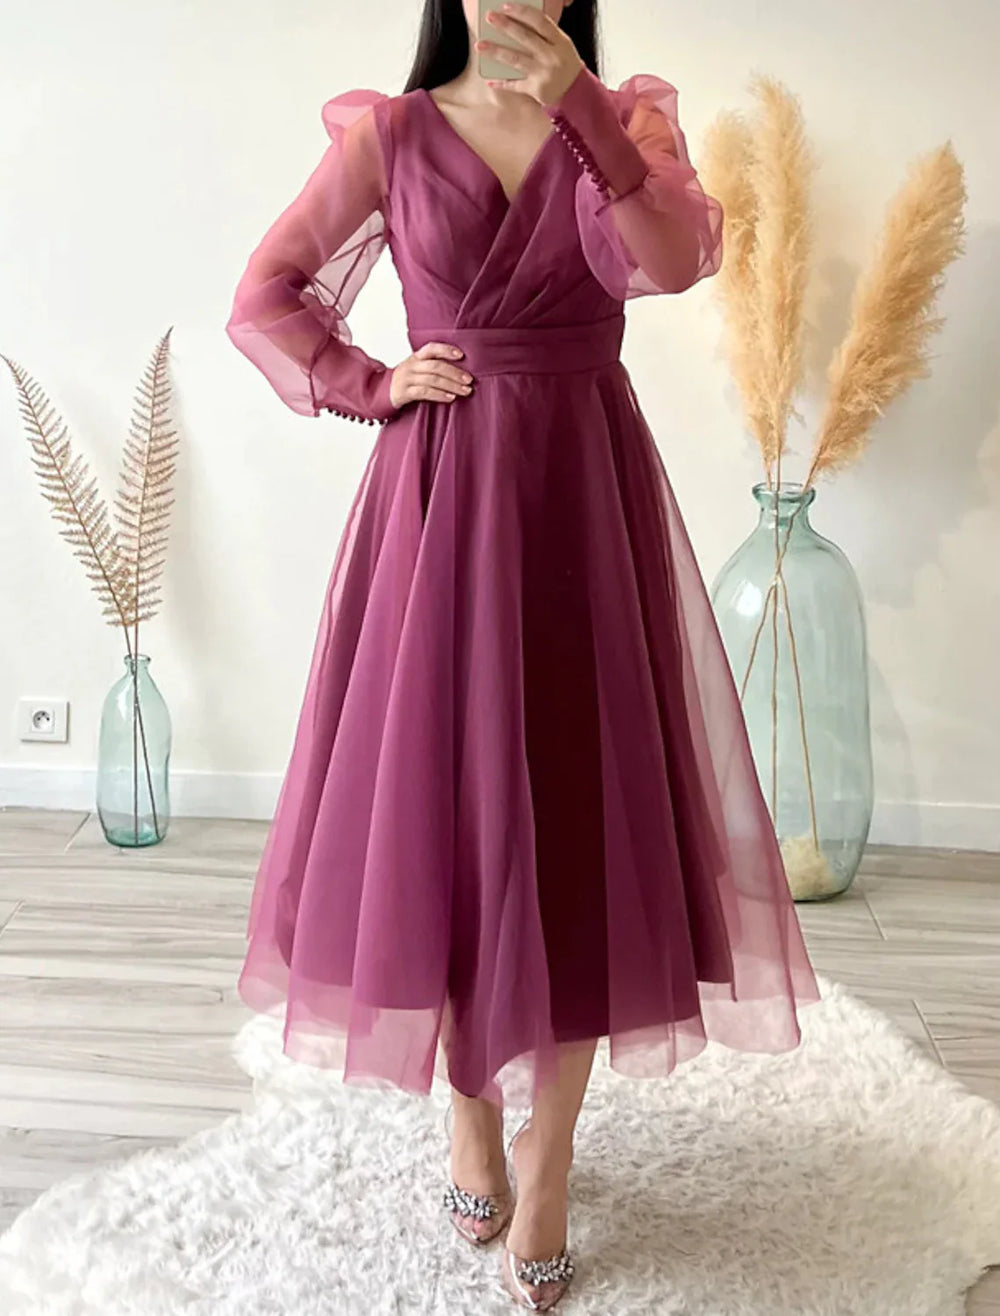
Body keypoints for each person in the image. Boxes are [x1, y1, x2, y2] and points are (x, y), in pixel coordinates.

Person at [225, 0, 821, 1308]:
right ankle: (472, 1120)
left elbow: (670, 262)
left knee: (580, 831)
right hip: (439, 501)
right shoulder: (389, 135)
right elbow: (265, 296)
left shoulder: (629, 120)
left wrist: (585, 113)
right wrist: (370, 380)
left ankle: (549, 1159)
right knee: (449, 827)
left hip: (578, 496)